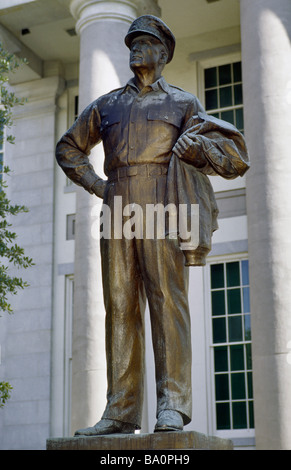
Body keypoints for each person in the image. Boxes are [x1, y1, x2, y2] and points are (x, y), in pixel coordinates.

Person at [56, 15, 249, 436]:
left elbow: (229, 156)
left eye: (144, 44)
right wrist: (97, 185)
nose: (135, 50)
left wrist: (194, 148)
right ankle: (120, 411)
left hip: (163, 204)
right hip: (118, 204)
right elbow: (69, 147)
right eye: (131, 44)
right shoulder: (106, 104)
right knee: (120, 307)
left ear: (163, 53)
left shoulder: (183, 104)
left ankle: (173, 406)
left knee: (167, 302)